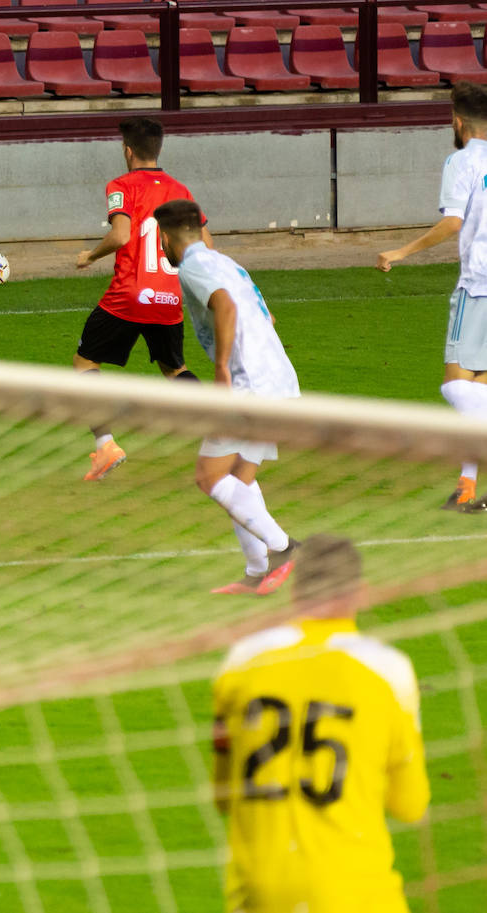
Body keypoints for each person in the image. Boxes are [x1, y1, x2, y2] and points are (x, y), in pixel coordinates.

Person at [211, 534, 430, 913]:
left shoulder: (242, 661)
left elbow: (224, 797)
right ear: (360, 593)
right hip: (356, 893)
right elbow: (410, 806)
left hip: (259, 896)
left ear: (296, 588)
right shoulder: (387, 670)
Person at [155, 199, 299, 594]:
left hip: (248, 386)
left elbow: (226, 305)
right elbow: (267, 317)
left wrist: (221, 369)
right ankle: (256, 572)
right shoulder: (229, 263)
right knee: (240, 481)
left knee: (209, 476)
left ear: (166, 238)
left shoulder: (194, 267)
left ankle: (283, 548)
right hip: (278, 379)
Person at [73, 116, 212, 481]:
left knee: (85, 362)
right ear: (159, 150)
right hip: (169, 298)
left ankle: (105, 445)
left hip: (129, 296)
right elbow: (207, 248)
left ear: (128, 150)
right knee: (174, 370)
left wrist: (89, 256)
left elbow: (120, 236)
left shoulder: (120, 185)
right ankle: (221, 422)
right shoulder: (182, 190)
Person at [377, 82, 487, 512]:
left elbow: (453, 224)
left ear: (458, 121)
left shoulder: (461, 161)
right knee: (478, 388)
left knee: (456, 386)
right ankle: (466, 487)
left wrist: (399, 252)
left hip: (479, 286)